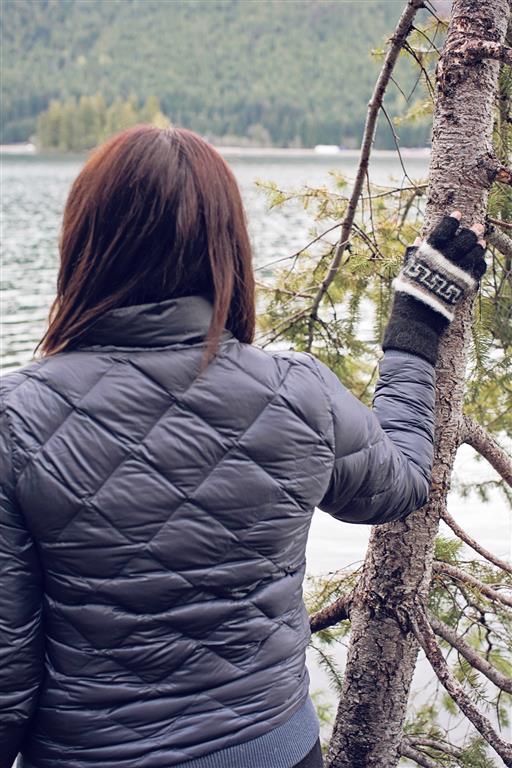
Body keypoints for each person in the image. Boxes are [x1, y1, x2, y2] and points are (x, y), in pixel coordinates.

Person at [0, 125, 487, 768]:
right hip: (279, 752)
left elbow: (8, 677)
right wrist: (415, 325)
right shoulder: (299, 393)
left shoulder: (16, 420)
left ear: (84, 247)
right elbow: (401, 480)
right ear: (226, 249)